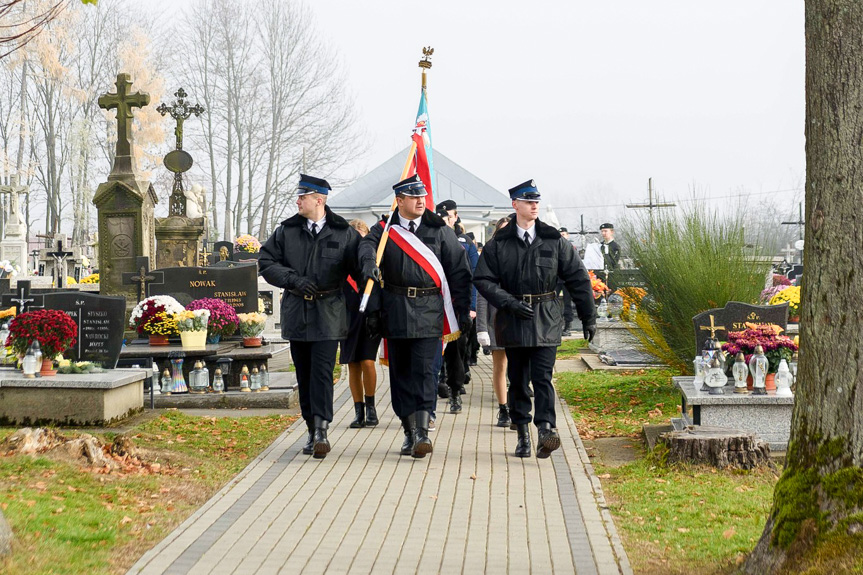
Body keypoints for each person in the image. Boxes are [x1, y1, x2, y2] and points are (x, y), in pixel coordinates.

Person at [474, 179, 596, 459]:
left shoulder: (553, 240)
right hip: (512, 320)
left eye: (536, 201)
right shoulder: (498, 244)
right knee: (517, 379)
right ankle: (522, 433)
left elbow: (578, 278)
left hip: (545, 318)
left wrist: (588, 316)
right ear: (515, 205)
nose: (534, 205)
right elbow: (482, 279)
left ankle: (546, 429)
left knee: (543, 377)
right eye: (528, 201)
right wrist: (508, 303)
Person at [359, 174, 472, 458]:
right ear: (399, 201)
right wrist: (368, 263)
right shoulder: (385, 230)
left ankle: (422, 432)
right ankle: (408, 430)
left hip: (430, 311)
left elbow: (459, 271)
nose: (421, 200)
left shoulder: (439, 230)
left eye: (423, 196)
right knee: (401, 375)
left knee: (426, 371)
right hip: (395, 310)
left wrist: (462, 310)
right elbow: (365, 248)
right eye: (414, 196)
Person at [259, 174, 360, 460]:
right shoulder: (287, 231)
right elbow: (266, 262)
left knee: (322, 374)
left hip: (329, 313)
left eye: (302, 197)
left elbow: (358, 268)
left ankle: (321, 431)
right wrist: (292, 279)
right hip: (298, 311)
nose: (297, 201)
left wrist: (369, 272)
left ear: (319, 200)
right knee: (304, 375)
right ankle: (309, 427)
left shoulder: (343, 232)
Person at [436, 199, 478, 413]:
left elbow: (471, 278)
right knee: (435, 352)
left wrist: (470, 308)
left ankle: (455, 391)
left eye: (447, 218)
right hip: (434, 306)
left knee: (456, 352)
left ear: (453, 219)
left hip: (455, 305)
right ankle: (439, 383)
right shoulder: (428, 241)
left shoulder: (464, 243)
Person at [340, 219, 383, 429]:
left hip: (368, 318)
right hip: (347, 319)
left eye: (361, 236)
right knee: (353, 365)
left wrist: (376, 314)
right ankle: (358, 410)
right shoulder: (343, 263)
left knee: (367, 361)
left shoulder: (372, 262)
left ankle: (371, 407)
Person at [476, 216, 512, 428]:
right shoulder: (490, 255)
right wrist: (481, 327)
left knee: (518, 368)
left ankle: (518, 405)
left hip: (519, 317)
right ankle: (503, 408)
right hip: (496, 319)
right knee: (500, 366)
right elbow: (482, 293)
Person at [557, 227, 575, 334]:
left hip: (567, 279)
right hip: (557, 279)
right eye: (560, 235)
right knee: (552, 300)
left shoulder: (571, 247)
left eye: (564, 234)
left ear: (567, 235)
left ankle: (568, 325)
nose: (562, 236)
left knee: (567, 303)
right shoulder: (554, 246)